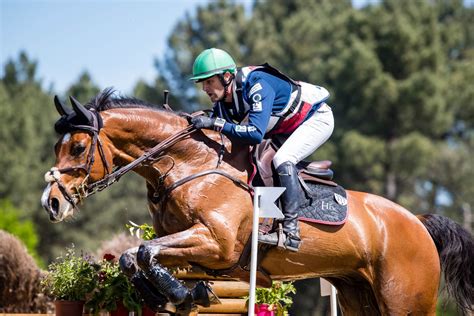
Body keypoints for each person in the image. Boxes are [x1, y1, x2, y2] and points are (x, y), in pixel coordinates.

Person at [189, 48, 334, 252]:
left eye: (209, 81)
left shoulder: (257, 84)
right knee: (257, 161)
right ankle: (266, 221)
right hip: (284, 126)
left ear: (227, 76)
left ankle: (291, 231)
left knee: (283, 159)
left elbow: (255, 133)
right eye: (202, 83)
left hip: (315, 118)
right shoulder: (224, 101)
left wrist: (216, 124)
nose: (205, 88)